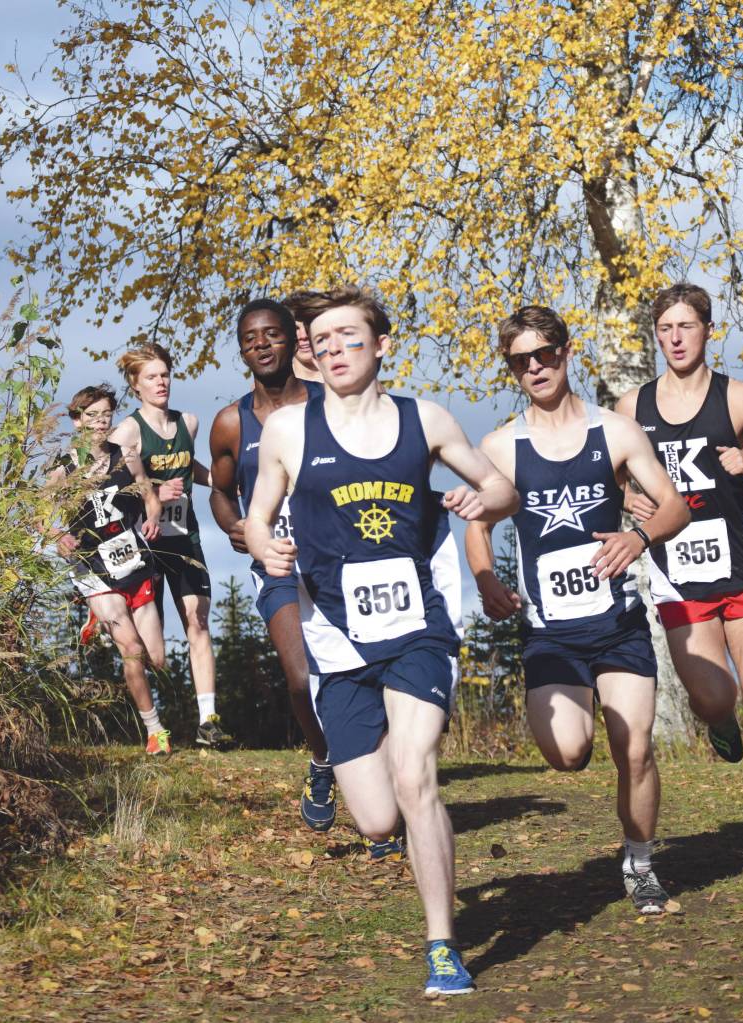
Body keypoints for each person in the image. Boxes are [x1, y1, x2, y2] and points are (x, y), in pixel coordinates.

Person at [245, 285, 518, 997]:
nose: (332, 350)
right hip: (336, 643)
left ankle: (441, 946)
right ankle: (394, 837)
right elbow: (255, 516)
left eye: (348, 338)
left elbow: (500, 489)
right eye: (322, 341)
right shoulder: (289, 433)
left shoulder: (422, 420)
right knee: (373, 814)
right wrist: (264, 546)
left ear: (381, 344)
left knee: (414, 772)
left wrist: (480, 499)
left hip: (419, 627)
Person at [465, 306, 690, 914]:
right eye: (520, 361)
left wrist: (638, 539)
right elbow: (477, 527)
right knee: (569, 754)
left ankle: (641, 865)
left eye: (543, 354)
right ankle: (580, 747)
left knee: (635, 746)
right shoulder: (501, 447)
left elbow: (674, 507)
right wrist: (486, 580)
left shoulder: (614, 433)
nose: (534, 367)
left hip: (617, 624)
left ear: (566, 353)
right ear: (512, 370)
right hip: (551, 635)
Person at [616, 282, 743, 859]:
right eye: (665, 329)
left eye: (686, 326)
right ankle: (718, 724)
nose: (675, 338)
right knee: (712, 700)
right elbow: (609, 479)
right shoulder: (632, 407)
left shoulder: (740, 399)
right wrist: (628, 499)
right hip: (678, 572)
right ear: (657, 335)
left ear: (707, 330)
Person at [209, 298, 338, 831]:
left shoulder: (329, 405)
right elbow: (219, 493)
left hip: (335, 562)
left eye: (271, 335)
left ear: (294, 339)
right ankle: (324, 760)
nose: (260, 345)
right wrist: (237, 527)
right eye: (249, 338)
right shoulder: (230, 423)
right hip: (277, 565)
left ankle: (376, 782)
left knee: (355, 677)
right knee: (301, 676)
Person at [111, 343, 230, 749]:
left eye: (164, 375)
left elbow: (188, 467)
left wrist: (221, 481)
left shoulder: (189, 422)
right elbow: (110, 486)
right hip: (145, 543)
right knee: (151, 649)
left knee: (197, 620)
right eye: (151, 377)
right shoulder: (127, 431)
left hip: (185, 536)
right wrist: (156, 491)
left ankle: (208, 721)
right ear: (135, 384)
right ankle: (153, 726)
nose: (161, 383)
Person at [47, 385, 172, 755]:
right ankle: (155, 732)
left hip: (131, 557)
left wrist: (152, 517)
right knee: (131, 649)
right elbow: (38, 512)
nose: (101, 422)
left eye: (106, 415)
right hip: (92, 566)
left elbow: (149, 495)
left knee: (156, 658)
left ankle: (96, 619)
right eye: (92, 415)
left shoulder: (126, 456)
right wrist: (58, 536)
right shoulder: (64, 469)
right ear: (76, 420)